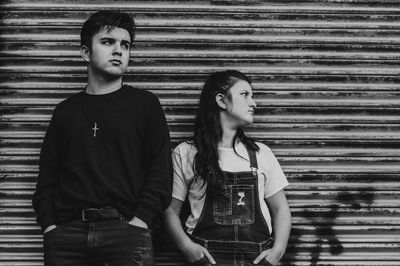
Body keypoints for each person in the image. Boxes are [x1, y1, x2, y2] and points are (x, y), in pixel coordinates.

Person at [32, 10, 171, 266]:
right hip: (66, 235)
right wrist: (50, 227)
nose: (118, 50)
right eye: (108, 42)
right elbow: (47, 175)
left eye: (125, 45)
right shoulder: (65, 111)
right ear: (86, 52)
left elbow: (160, 172)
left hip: (125, 232)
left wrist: (139, 222)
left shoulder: (145, 105)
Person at [164, 70, 291, 266]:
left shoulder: (261, 154)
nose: (254, 103)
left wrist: (277, 252)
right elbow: (170, 210)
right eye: (245, 94)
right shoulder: (187, 153)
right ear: (222, 101)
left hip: (256, 260)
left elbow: (281, 208)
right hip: (208, 260)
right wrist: (187, 247)